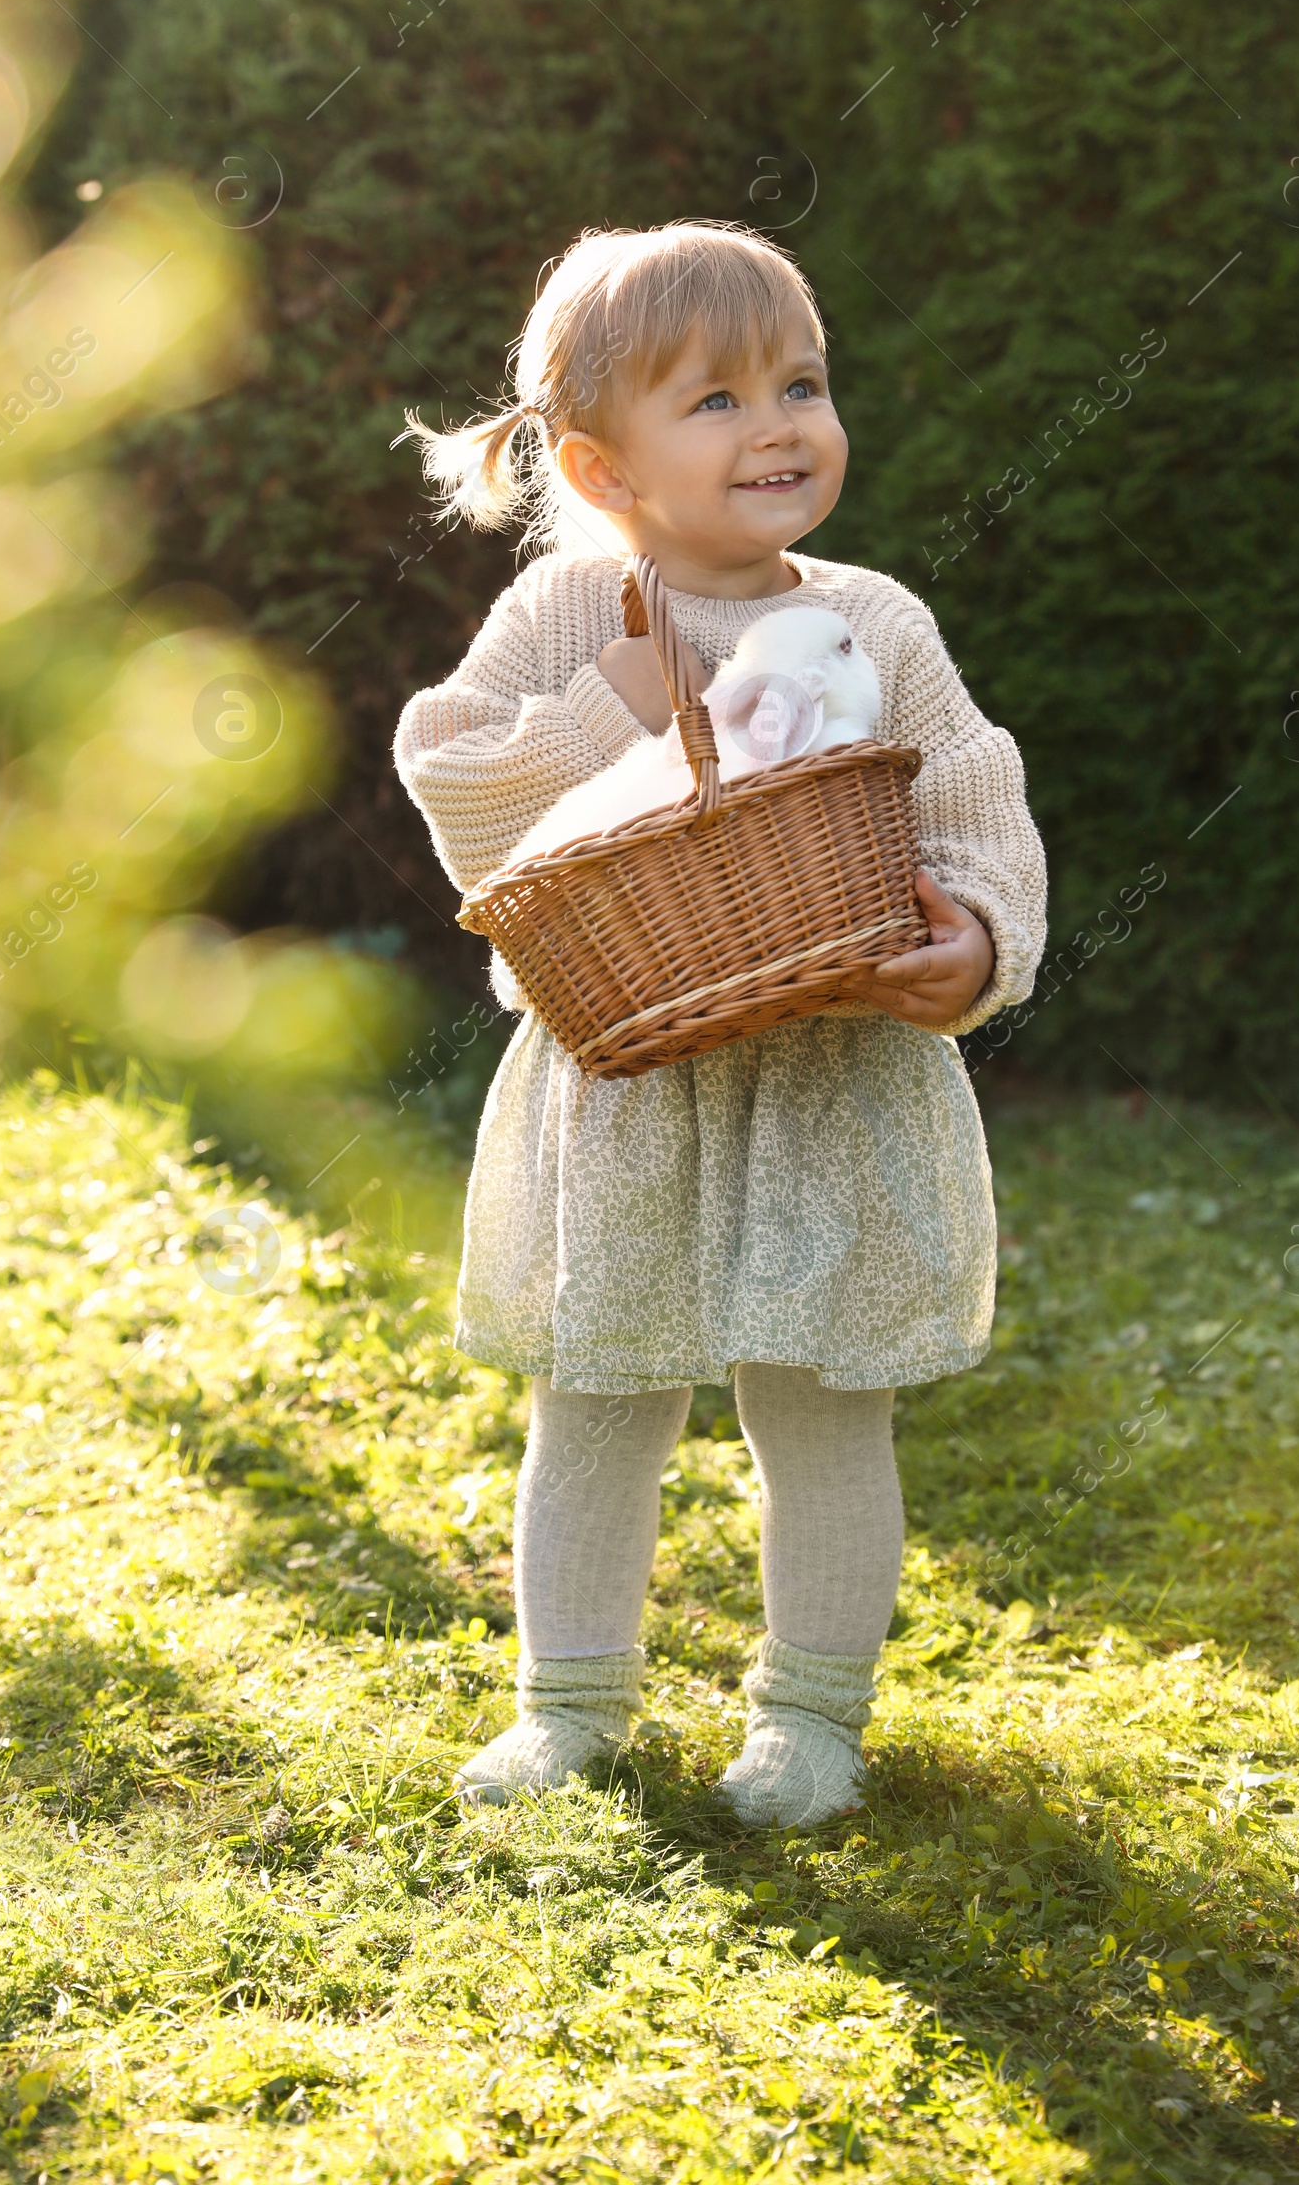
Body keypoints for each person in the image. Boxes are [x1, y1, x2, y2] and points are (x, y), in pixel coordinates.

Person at [393, 221, 1046, 1823]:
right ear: (602, 466)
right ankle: (569, 1703)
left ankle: (811, 1713)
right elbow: (456, 779)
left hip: (831, 1075)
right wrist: (606, 713)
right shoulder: (567, 620)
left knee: (822, 1397)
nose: (779, 426)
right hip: (629, 1082)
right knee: (601, 1390)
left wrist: (970, 938)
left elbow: (968, 797)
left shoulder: (875, 623)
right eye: (721, 399)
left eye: (802, 384)